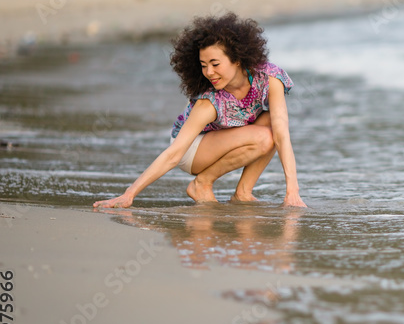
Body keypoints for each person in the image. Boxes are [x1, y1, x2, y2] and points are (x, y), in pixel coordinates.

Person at [93, 12, 306, 209]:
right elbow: (173, 154)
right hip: (191, 150)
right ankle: (202, 183)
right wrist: (129, 194)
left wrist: (292, 191)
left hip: (222, 137)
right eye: (204, 65)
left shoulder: (269, 78)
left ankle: (242, 192)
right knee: (263, 137)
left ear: (238, 59)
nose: (209, 72)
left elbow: (282, 132)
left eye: (215, 64)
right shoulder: (210, 101)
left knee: (272, 124)